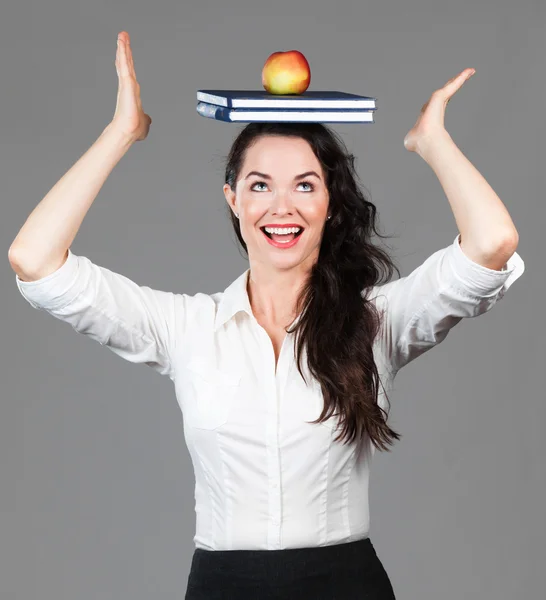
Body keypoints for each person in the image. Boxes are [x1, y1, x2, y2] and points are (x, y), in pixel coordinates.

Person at [8, 31, 525, 600]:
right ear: (233, 198)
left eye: (305, 185)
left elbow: (492, 242)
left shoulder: (378, 319)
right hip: (222, 586)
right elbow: (34, 260)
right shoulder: (186, 329)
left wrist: (433, 143)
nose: (282, 207)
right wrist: (119, 133)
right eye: (260, 186)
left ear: (330, 203)